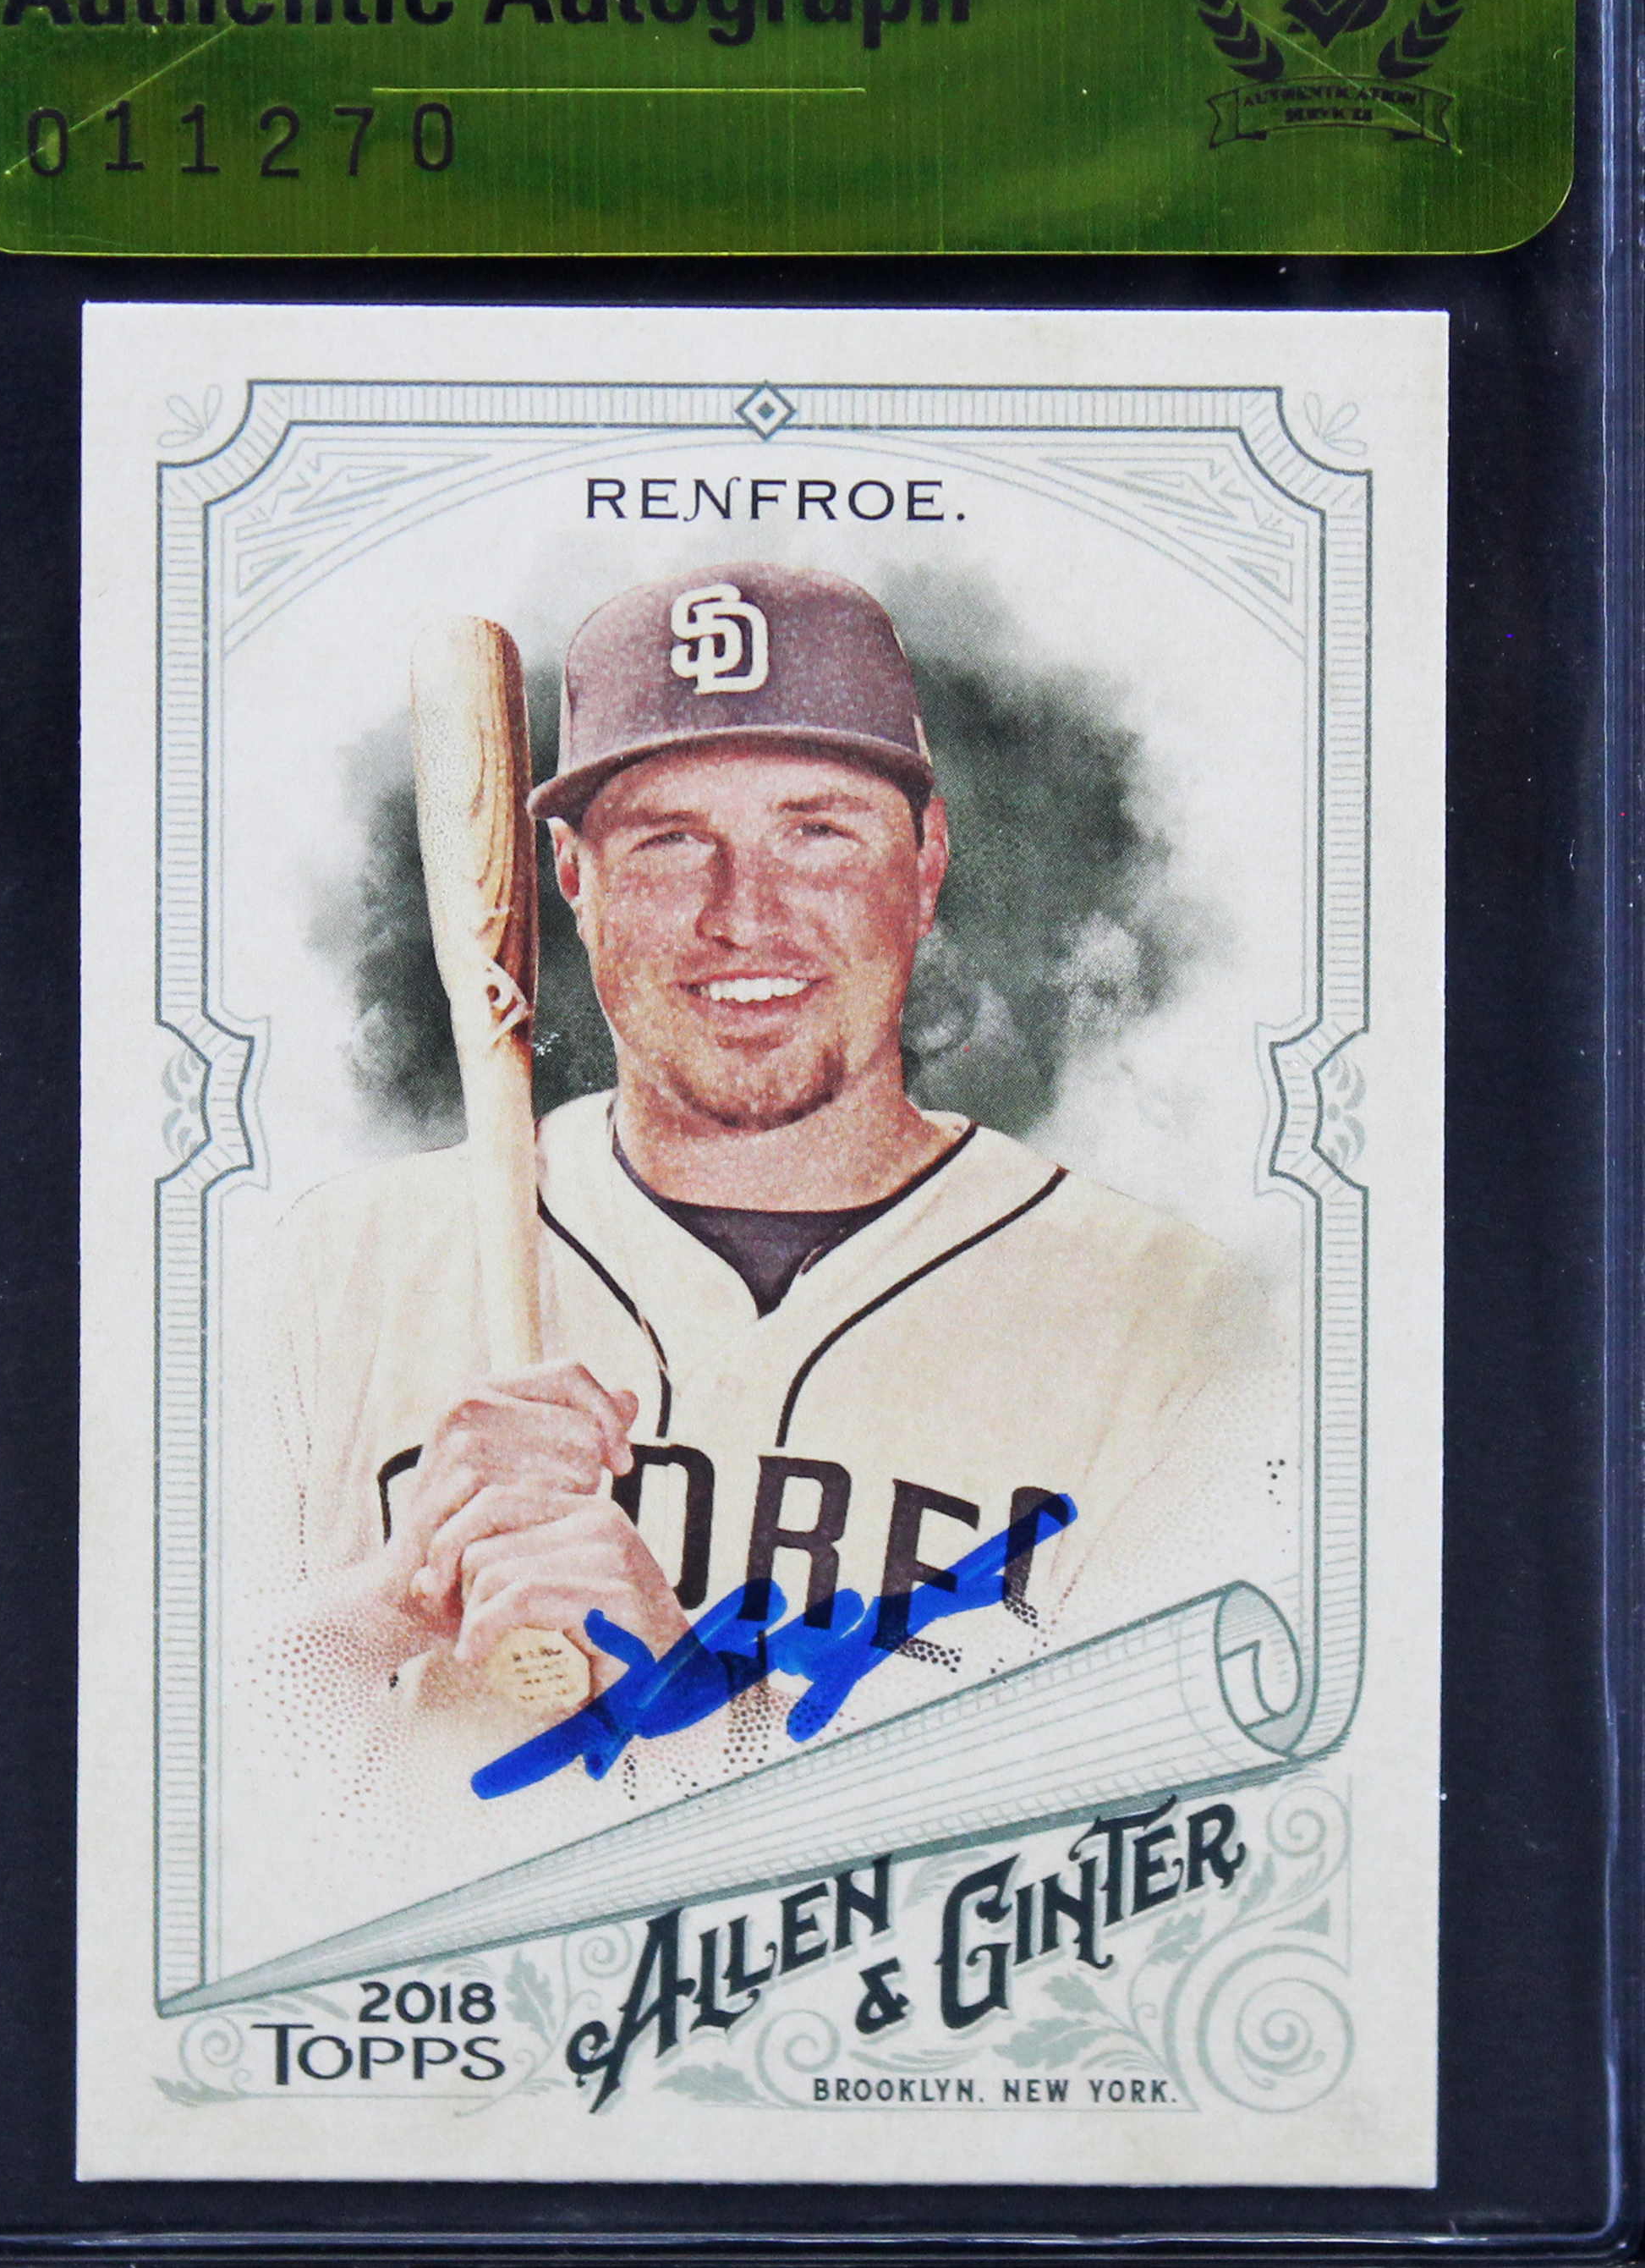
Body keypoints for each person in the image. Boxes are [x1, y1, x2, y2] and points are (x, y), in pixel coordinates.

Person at [235, 564, 1289, 1928]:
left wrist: (695, 1712)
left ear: (927, 862)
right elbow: (156, 1791)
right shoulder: (340, 1267)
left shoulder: (1173, 1319)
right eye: (670, 841)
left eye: (818, 832)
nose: (745, 912)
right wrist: (387, 1598)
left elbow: (1178, 1869)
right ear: (571, 879)